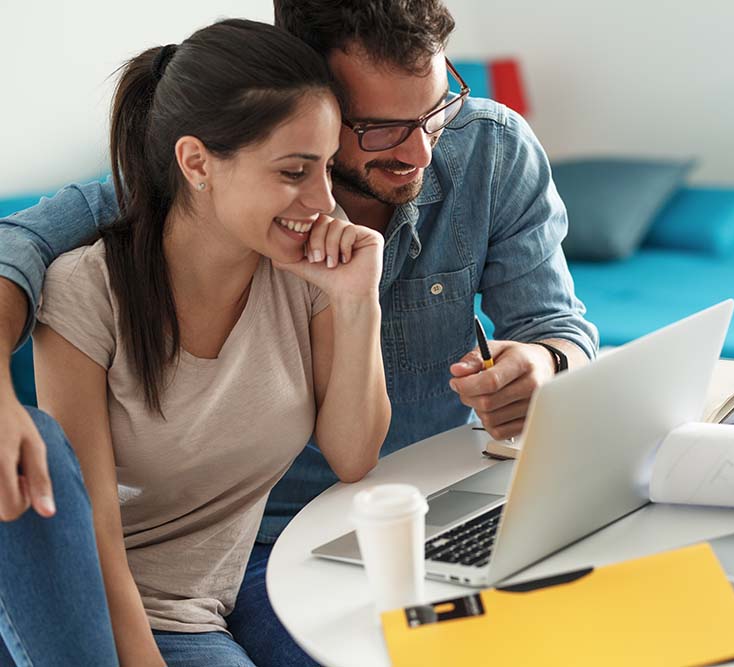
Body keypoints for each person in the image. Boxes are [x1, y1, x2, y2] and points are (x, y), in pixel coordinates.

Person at [0, 1, 598, 665]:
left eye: (435, 113)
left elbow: (554, 328)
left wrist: (543, 362)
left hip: (404, 513)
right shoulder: (143, 237)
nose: (421, 148)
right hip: (232, 565)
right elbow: (16, 242)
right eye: (379, 127)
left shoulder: (317, 253)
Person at [2, 17, 389, 667]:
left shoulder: (308, 269)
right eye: (295, 170)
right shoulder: (87, 290)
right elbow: (93, 531)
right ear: (196, 163)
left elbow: (353, 454)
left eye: (327, 168)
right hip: (84, 609)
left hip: (196, 609)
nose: (323, 199)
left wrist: (357, 300)